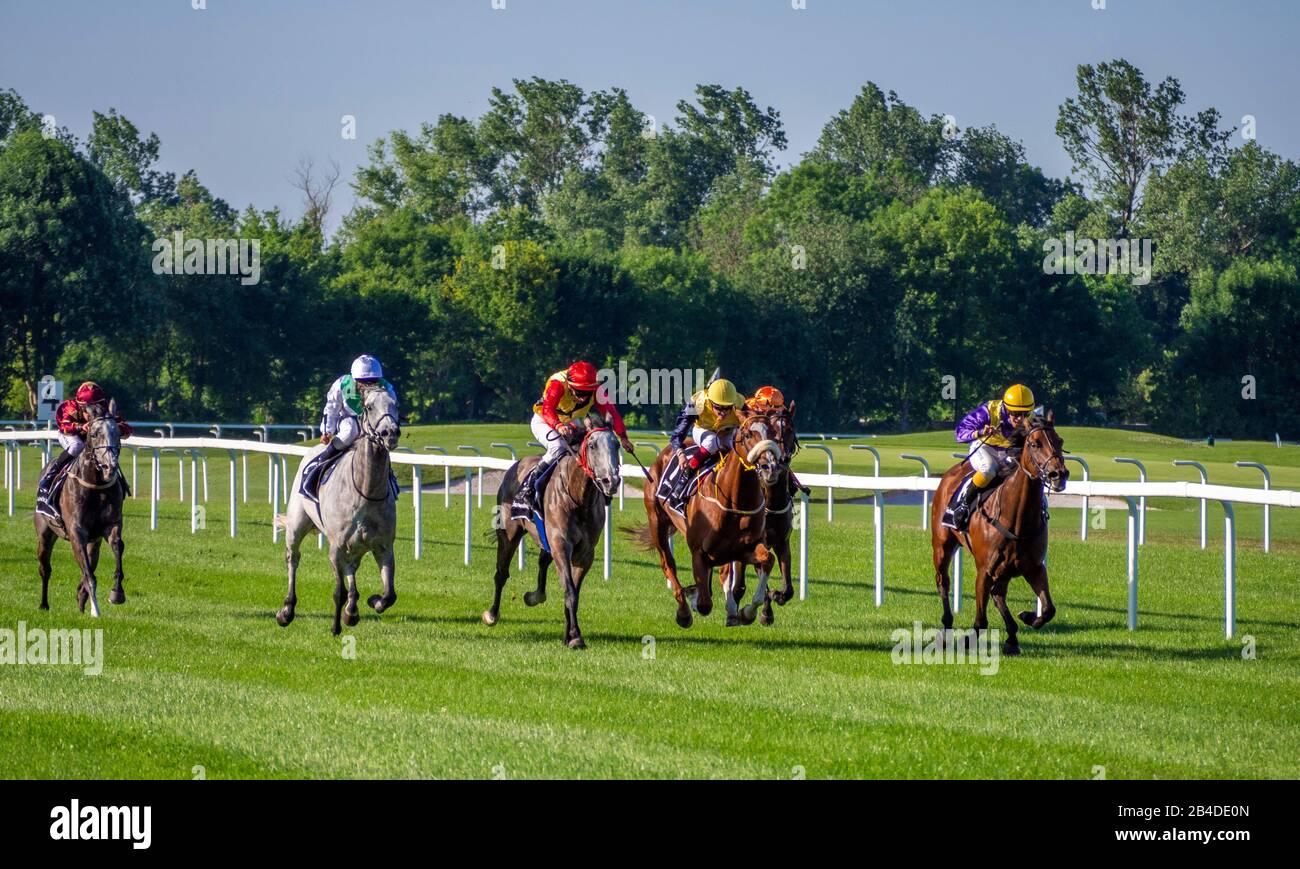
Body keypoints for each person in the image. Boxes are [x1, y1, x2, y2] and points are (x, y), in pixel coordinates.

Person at [518, 361, 634, 510]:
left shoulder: (597, 390)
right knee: (558, 447)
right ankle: (528, 487)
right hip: (545, 420)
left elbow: (611, 413)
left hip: (570, 421)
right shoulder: (558, 384)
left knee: (588, 448)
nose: (583, 397)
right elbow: (547, 410)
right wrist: (558, 425)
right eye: (580, 392)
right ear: (570, 385)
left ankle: (598, 488)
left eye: (588, 393)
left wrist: (623, 437)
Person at [300, 355, 396, 500]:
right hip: (347, 420)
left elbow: (391, 407)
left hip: (372, 424)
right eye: (364, 381)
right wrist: (327, 431)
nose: (368, 384)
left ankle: (389, 478)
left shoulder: (386, 387)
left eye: (373, 380)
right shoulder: (342, 384)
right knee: (350, 430)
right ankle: (319, 464)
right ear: (354, 378)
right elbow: (331, 408)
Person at [945, 383, 1036, 530]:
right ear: (1006, 408)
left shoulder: (1033, 419)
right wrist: (981, 432)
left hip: (1010, 452)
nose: (1020, 418)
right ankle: (963, 505)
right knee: (988, 470)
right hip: (986, 447)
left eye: (1025, 414)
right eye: (1015, 413)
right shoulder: (988, 411)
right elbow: (960, 432)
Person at [36, 381, 133, 514]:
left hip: (93, 437)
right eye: (88, 407)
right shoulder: (69, 407)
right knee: (77, 446)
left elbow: (126, 427)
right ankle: (51, 475)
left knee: (106, 452)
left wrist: (116, 429)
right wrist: (80, 427)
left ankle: (120, 482)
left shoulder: (105, 410)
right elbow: (64, 426)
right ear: (80, 405)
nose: (93, 411)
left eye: (97, 406)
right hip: (71, 435)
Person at [665, 378, 743, 503]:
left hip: (727, 432)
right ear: (710, 402)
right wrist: (680, 454)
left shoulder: (741, 404)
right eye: (718, 408)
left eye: (728, 408)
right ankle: (684, 477)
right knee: (712, 441)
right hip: (703, 430)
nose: (723, 413)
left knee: (737, 444)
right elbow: (678, 433)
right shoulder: (697, 403)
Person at [742, 385, 809, 497]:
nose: (776, 410)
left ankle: (790, 483)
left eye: (778, 407)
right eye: (773, 407)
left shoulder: (775, 411)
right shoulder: (749, 410)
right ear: (763, 404)